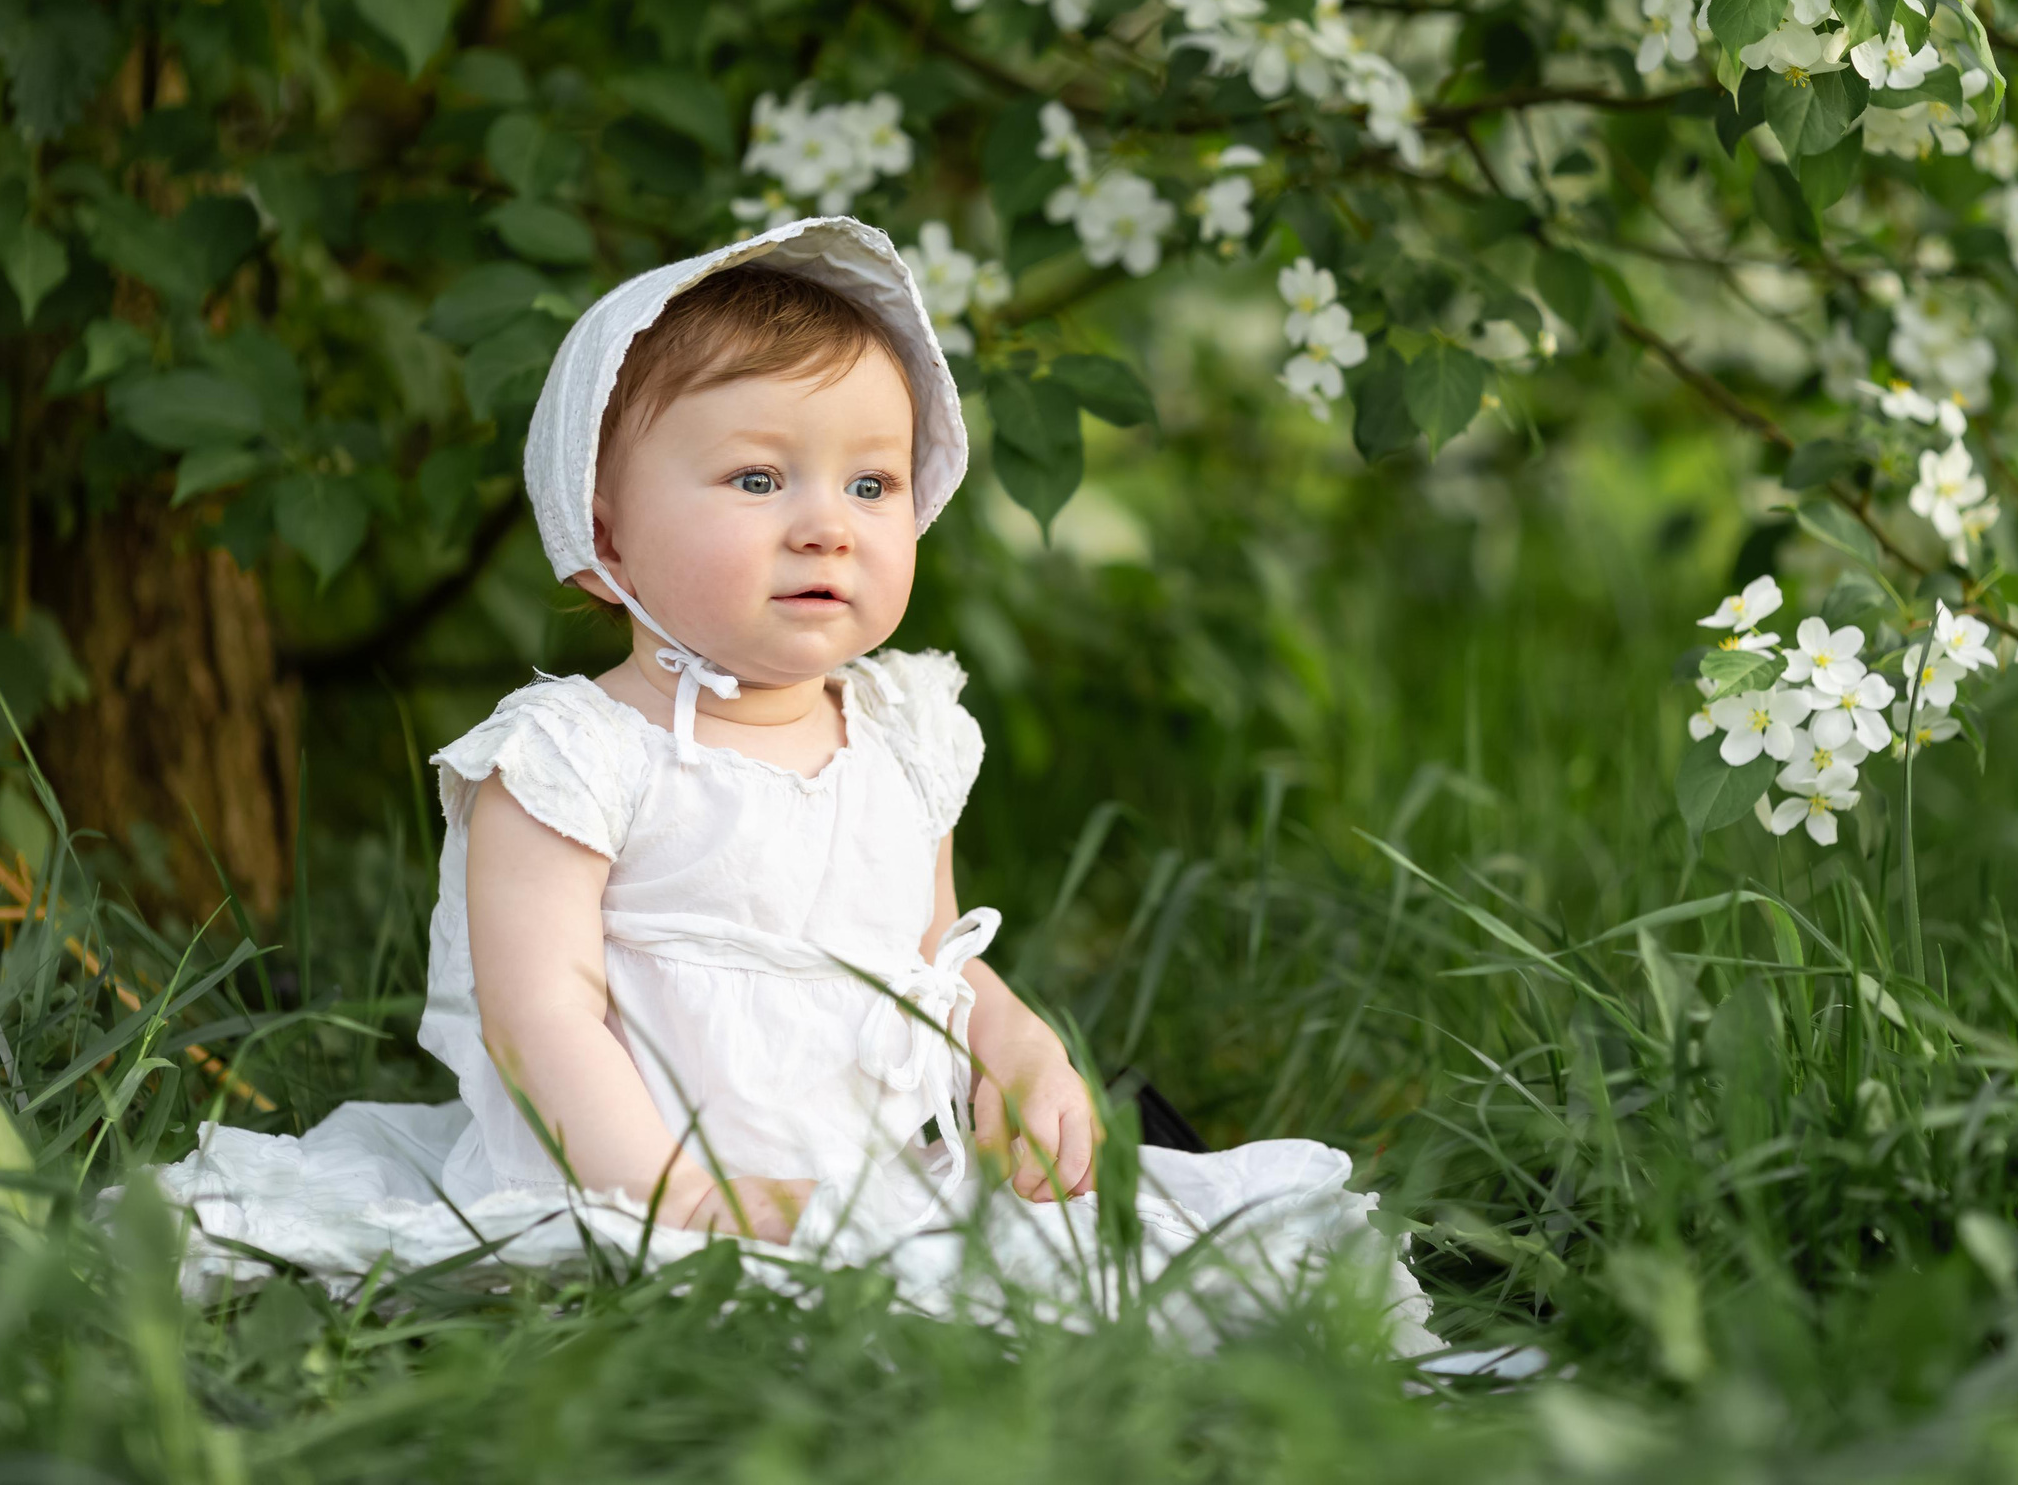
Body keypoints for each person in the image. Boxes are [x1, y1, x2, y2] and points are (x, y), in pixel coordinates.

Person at [144, 217, 1436, 1350]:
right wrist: (673, 1201)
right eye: (759, 479)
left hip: (863, 1176)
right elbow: (539, 1021)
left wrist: (1018, 1047)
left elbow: (931, 955)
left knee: (1105, 1285)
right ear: (603, 534)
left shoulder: (903, 732)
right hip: (628, 1178)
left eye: (871, 483)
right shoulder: (573, 757)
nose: (827, 521)